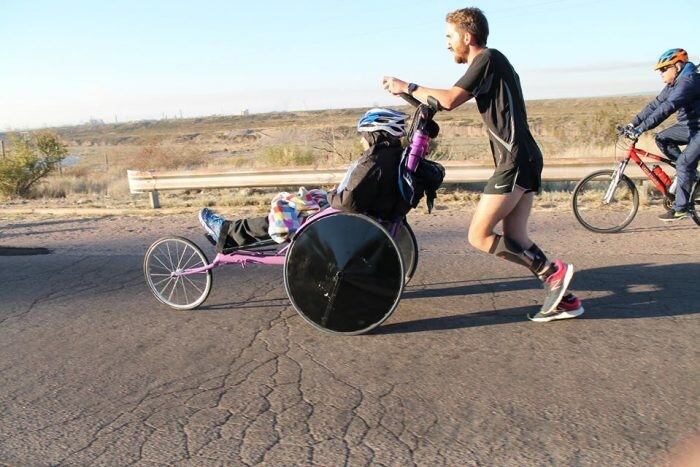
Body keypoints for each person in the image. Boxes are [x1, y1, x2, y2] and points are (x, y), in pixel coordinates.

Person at [382, 7, 581, 322]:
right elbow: (441, 101)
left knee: (479, 234)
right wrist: (414, 96)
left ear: (466, 36)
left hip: (514, 160)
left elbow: (449, 99)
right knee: (515, 237)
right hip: (524, 157)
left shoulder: (486, 59)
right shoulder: (492, 63)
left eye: (449, 37)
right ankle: (565, 299)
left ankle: (553, 272)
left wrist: (407, 85)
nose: (447, 44)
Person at [199, 107, 430, 248]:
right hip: (367, 217)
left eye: (363, 135)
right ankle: (231, 234)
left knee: (282, 211)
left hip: (343, 220)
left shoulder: (373, 163)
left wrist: (330, 196)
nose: (361, 140)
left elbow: (347, 202)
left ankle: (228, 231)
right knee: (302, 199)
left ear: (374, 135)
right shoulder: (394, 156)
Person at [624, 48, 700, 222]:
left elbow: (668, 107)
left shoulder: (689, 81)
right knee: (662, 138)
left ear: (678, 66)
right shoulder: (674, 84)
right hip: (690, 126)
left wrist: (641, 129)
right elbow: (655, 105)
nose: (661, 73)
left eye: (665, 68)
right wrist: (633, 124)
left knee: (683, 162)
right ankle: (692, 176)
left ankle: (682, 209)